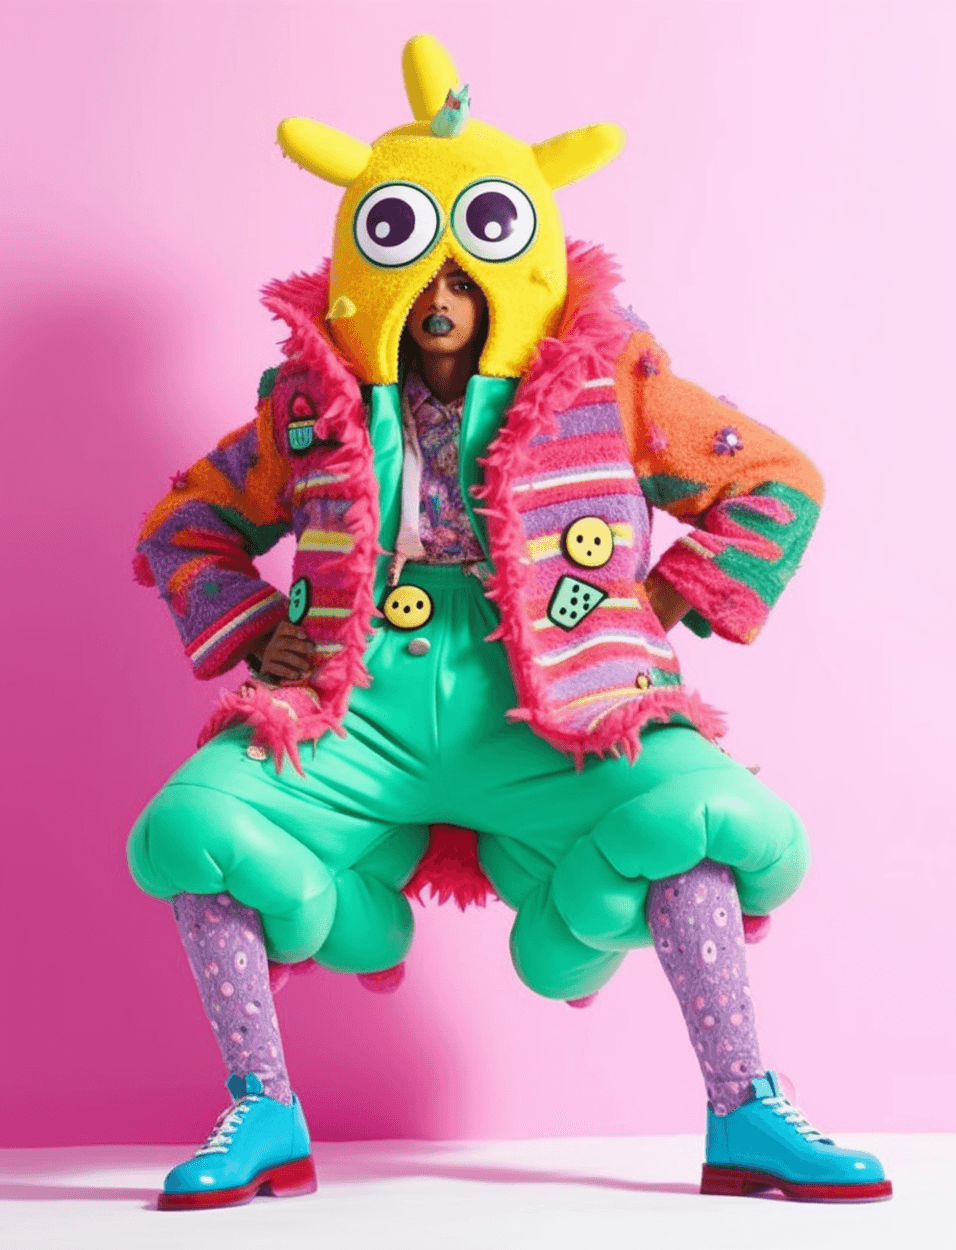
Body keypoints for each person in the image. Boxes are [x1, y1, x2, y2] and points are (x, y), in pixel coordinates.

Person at [129, 35, 891, 1210]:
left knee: (699, 812)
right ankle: (261, 1105)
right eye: (414, 267)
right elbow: (185, 523)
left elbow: (775, 479)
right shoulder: (308, 405)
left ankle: (746, 1107)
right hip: (352, 708)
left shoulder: (607, 383)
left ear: (514, 260)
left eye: (466, 267)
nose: (441, 297)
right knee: (194, 825)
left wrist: (666, 596)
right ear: (370, 269)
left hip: (555, 707)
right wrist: (250, 621)